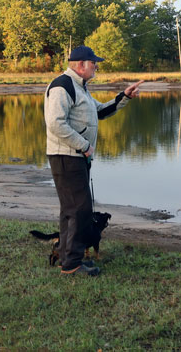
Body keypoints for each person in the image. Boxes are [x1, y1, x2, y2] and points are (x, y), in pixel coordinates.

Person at [44, 45, 143, 277]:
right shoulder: (62, 85)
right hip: (67, 157)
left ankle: (66, 256)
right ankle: (72, 265)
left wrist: (124, 97)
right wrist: (85, 146)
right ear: (80, 65)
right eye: (93, 63)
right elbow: (55, 123)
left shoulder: (81, 88)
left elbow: (99, 112)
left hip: (75, 158)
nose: (96, 66)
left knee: (71, 209)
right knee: (80, 210)